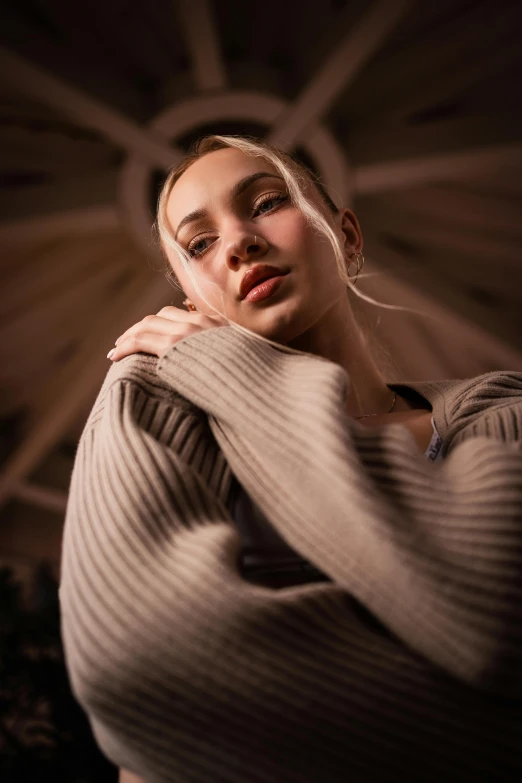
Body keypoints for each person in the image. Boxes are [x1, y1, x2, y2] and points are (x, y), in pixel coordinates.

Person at [60, 135, 522, 783]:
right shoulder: (150, 389)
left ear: (347, 235)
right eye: (198, 244)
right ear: (192, 300)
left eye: (268, 202)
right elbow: (141, 667)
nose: (237, 243)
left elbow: (500, 616)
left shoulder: (505, 410)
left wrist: (247, 375)